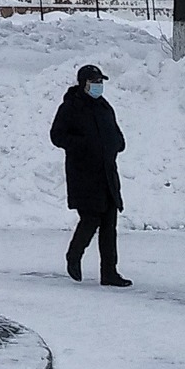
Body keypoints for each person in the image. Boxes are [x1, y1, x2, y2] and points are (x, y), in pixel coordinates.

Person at [50, 62, 131, 287]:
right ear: (83, 84)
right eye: (94, 82)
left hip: (107, 174)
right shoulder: (71, 107)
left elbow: (116, 134)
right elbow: (57, 136)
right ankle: (74, 256)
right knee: (91, 219)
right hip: (84, 174)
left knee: (109, 224)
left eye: (100, 82)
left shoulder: (105, 107)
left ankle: (109, 272)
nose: (98, 86)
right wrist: (82, 145)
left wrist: (117, 144)